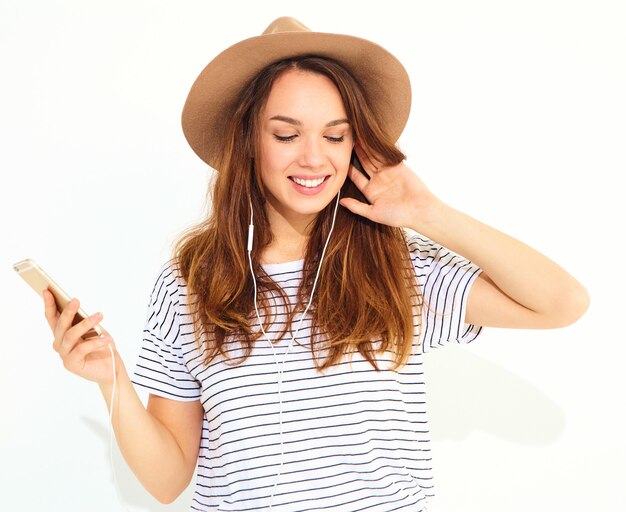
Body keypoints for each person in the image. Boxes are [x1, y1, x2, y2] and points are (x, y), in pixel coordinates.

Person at [42, 16, 589, 512]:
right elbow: (166, 480)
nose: (313, 157)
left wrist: (427, 212)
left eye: (335, 135)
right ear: (250, 141)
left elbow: (562, 302)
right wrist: (108, 377)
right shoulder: (192, 282)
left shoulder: (397, 267)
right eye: (286, 134)